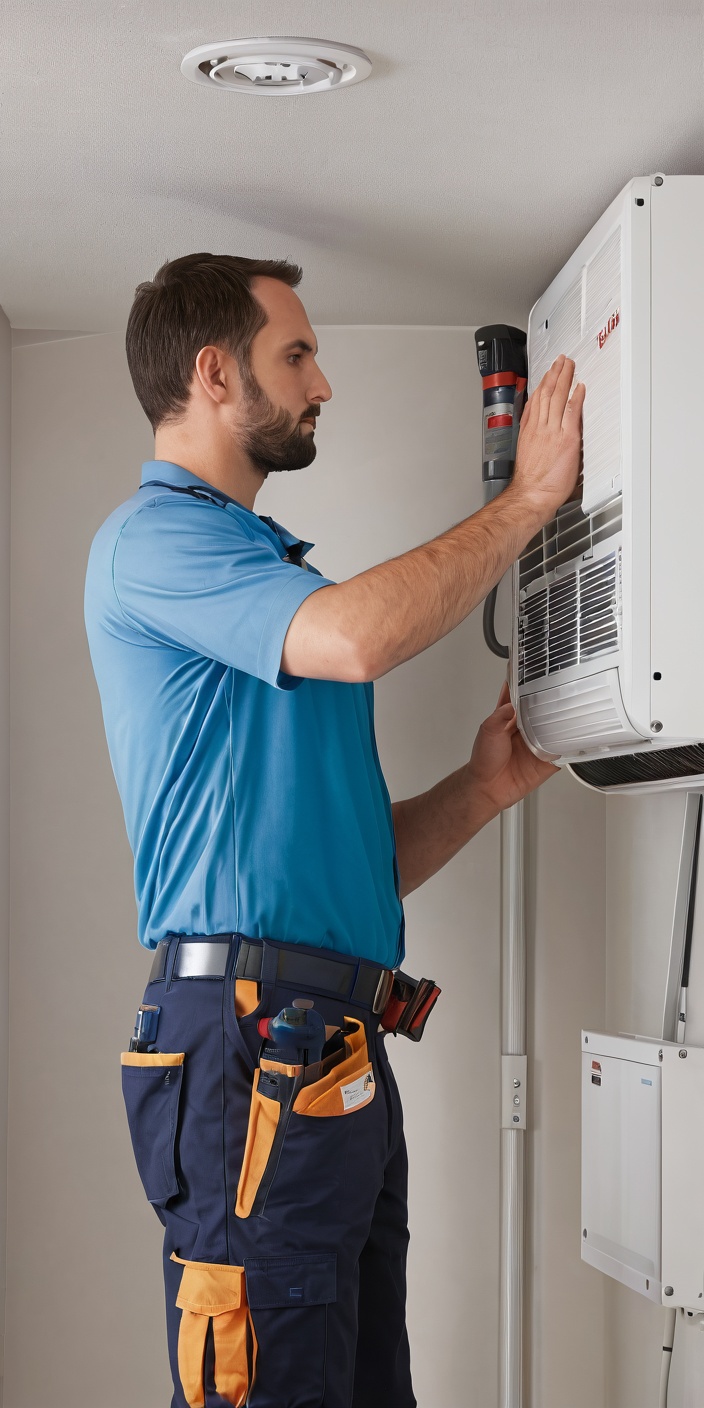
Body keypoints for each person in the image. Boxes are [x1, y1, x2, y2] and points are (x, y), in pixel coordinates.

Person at [84, 253, 584, 1408]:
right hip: (251, 1045)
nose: (321, 383)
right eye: (295, 355)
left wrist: (480, 787)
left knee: (354, 1382)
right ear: (214, 374)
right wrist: (525, 499)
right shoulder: (156, 544)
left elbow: (342, 872)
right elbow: (358, 638)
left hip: (322, 1043)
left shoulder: (262, 572)